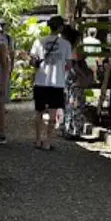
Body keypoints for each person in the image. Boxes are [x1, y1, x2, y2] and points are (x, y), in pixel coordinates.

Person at [30, 16, 71, 150]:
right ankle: (47, 142)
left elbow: (32, 61)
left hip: (41, 81)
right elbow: (69, 65)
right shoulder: (66, 44)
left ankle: (37, 140)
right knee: (53, 114)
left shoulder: (39, 41)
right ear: (60, 27)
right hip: (57, 83)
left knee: (39, 112)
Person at [61, 26, 88, 139]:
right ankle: (75, 130)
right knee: (76, 104)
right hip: (74, 79)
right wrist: (83, 75)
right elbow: (74, 65)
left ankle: (68, 128)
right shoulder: (73, 49)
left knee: (69, 104)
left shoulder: (64, 48)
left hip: (66, 78)